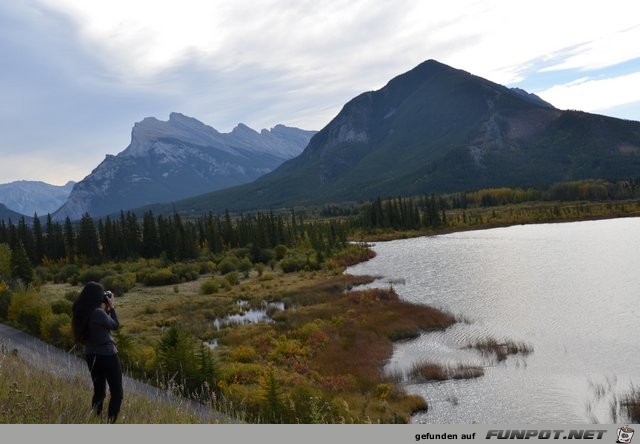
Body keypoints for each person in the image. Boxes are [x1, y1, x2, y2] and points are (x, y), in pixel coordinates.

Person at [71, 281, 123, 423]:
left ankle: (95, 420)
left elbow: (99, 326)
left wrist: (105, 310)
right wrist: (111, 308)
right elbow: (115, 325)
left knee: (99, 391)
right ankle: (110, 423)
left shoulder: (80, 311)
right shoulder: (98, 313)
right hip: (107, 356)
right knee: (117, 392)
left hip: (90, 355)